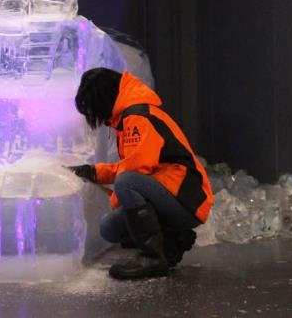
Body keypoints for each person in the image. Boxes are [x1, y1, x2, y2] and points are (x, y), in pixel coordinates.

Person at [70, 68, 213, 279]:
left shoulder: (138, 117)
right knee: (109, 228)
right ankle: (172, 241)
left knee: (126, 182)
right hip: (172, 195)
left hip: (187, 200)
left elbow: (136, 170)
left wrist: (116, 194)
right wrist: (93, 172)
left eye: (93, 110)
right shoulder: (129, 116)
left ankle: (153, 257)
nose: (95, 118)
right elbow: (133, 165)